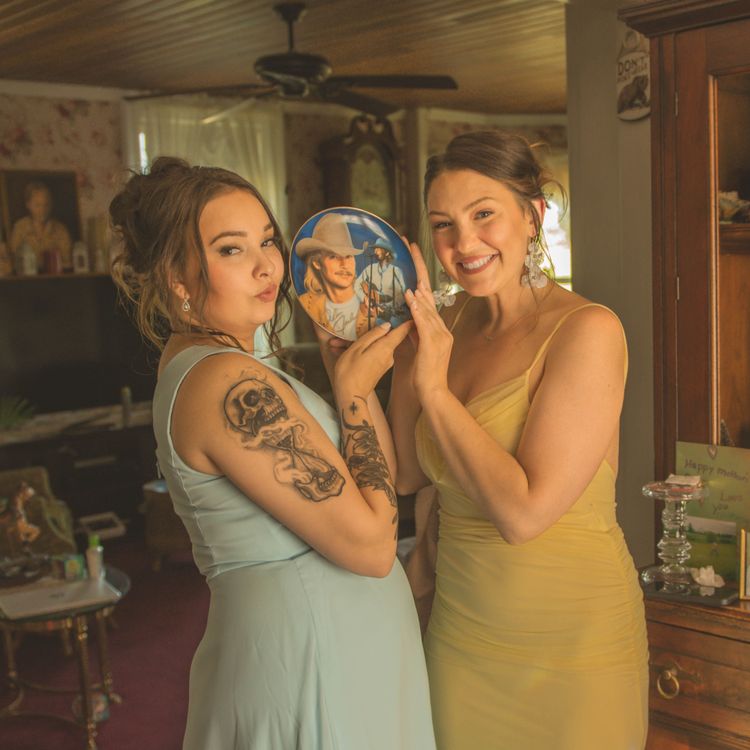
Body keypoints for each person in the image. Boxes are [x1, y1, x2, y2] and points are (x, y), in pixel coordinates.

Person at [109, 157, 435, 750]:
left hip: (340, 648)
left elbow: (380, 485)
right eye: (231, 249)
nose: (267, 265)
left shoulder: (232, 365)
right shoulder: (224, 381)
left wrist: (346, 376)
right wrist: (351, 394)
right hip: (310, 658)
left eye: (267, 240)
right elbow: (373, 546)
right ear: (177, 276)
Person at [389, 130, 649, 750]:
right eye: (443, 224)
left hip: (577, 653)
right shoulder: (444, 327)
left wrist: (435, 390)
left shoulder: (587, 330)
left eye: (484, 214)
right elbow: (406, 474)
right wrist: (398, 356)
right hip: (461, 642)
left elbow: (524, 515)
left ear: (532, 216)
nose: (464, 243)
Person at [296, 212, 376, 340]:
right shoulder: (307, 303)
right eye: (333, 256)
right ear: (317, 263)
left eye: (348, 256)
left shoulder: (375, 299)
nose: (344, 264)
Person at [10, 181, 72, 271]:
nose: (42, 210)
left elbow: (67, 261)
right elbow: (14, 259)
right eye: (37, 205)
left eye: (46, 205)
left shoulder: (60, 230)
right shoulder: (20, 228)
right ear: (28, 205)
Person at [356, 237, 407, 327]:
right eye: (375, 249)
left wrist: (389, 305)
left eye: (379, 249)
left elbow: (403, 293)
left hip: (391, 313)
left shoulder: (396, 271)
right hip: (373, 313)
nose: (375, 251)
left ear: (387, 253)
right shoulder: (370, 269)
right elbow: (356, 284)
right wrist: (364, 298)